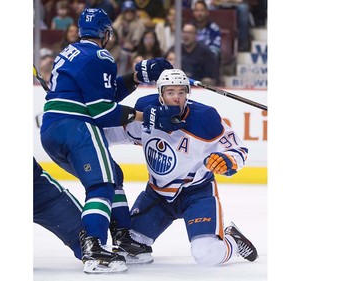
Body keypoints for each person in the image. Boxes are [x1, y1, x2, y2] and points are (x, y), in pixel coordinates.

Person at [39, 8, 172, 273]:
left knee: (113, 174)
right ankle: (94, 248)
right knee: (102, 184)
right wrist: (149, 117)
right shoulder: (101, 56)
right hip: (77, 128)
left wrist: (136, 78)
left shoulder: (69, 52)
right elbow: (103, 111)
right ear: (105, 32)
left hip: (51, 131)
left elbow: (101, 92)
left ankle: (123, 237)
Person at [104, 68, 258, 266]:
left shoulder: (205, 119)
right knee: (129, 246)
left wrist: (227, 160)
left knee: (206, 255)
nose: (176, 98)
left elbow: (238, 148)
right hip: (157, 196)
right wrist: (84, 135)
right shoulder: (146, 113)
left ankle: (233, 243)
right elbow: (116, 133)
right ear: (160, 94)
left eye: (181, 92)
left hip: (197, 194)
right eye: (170, 92)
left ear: (187, 93)